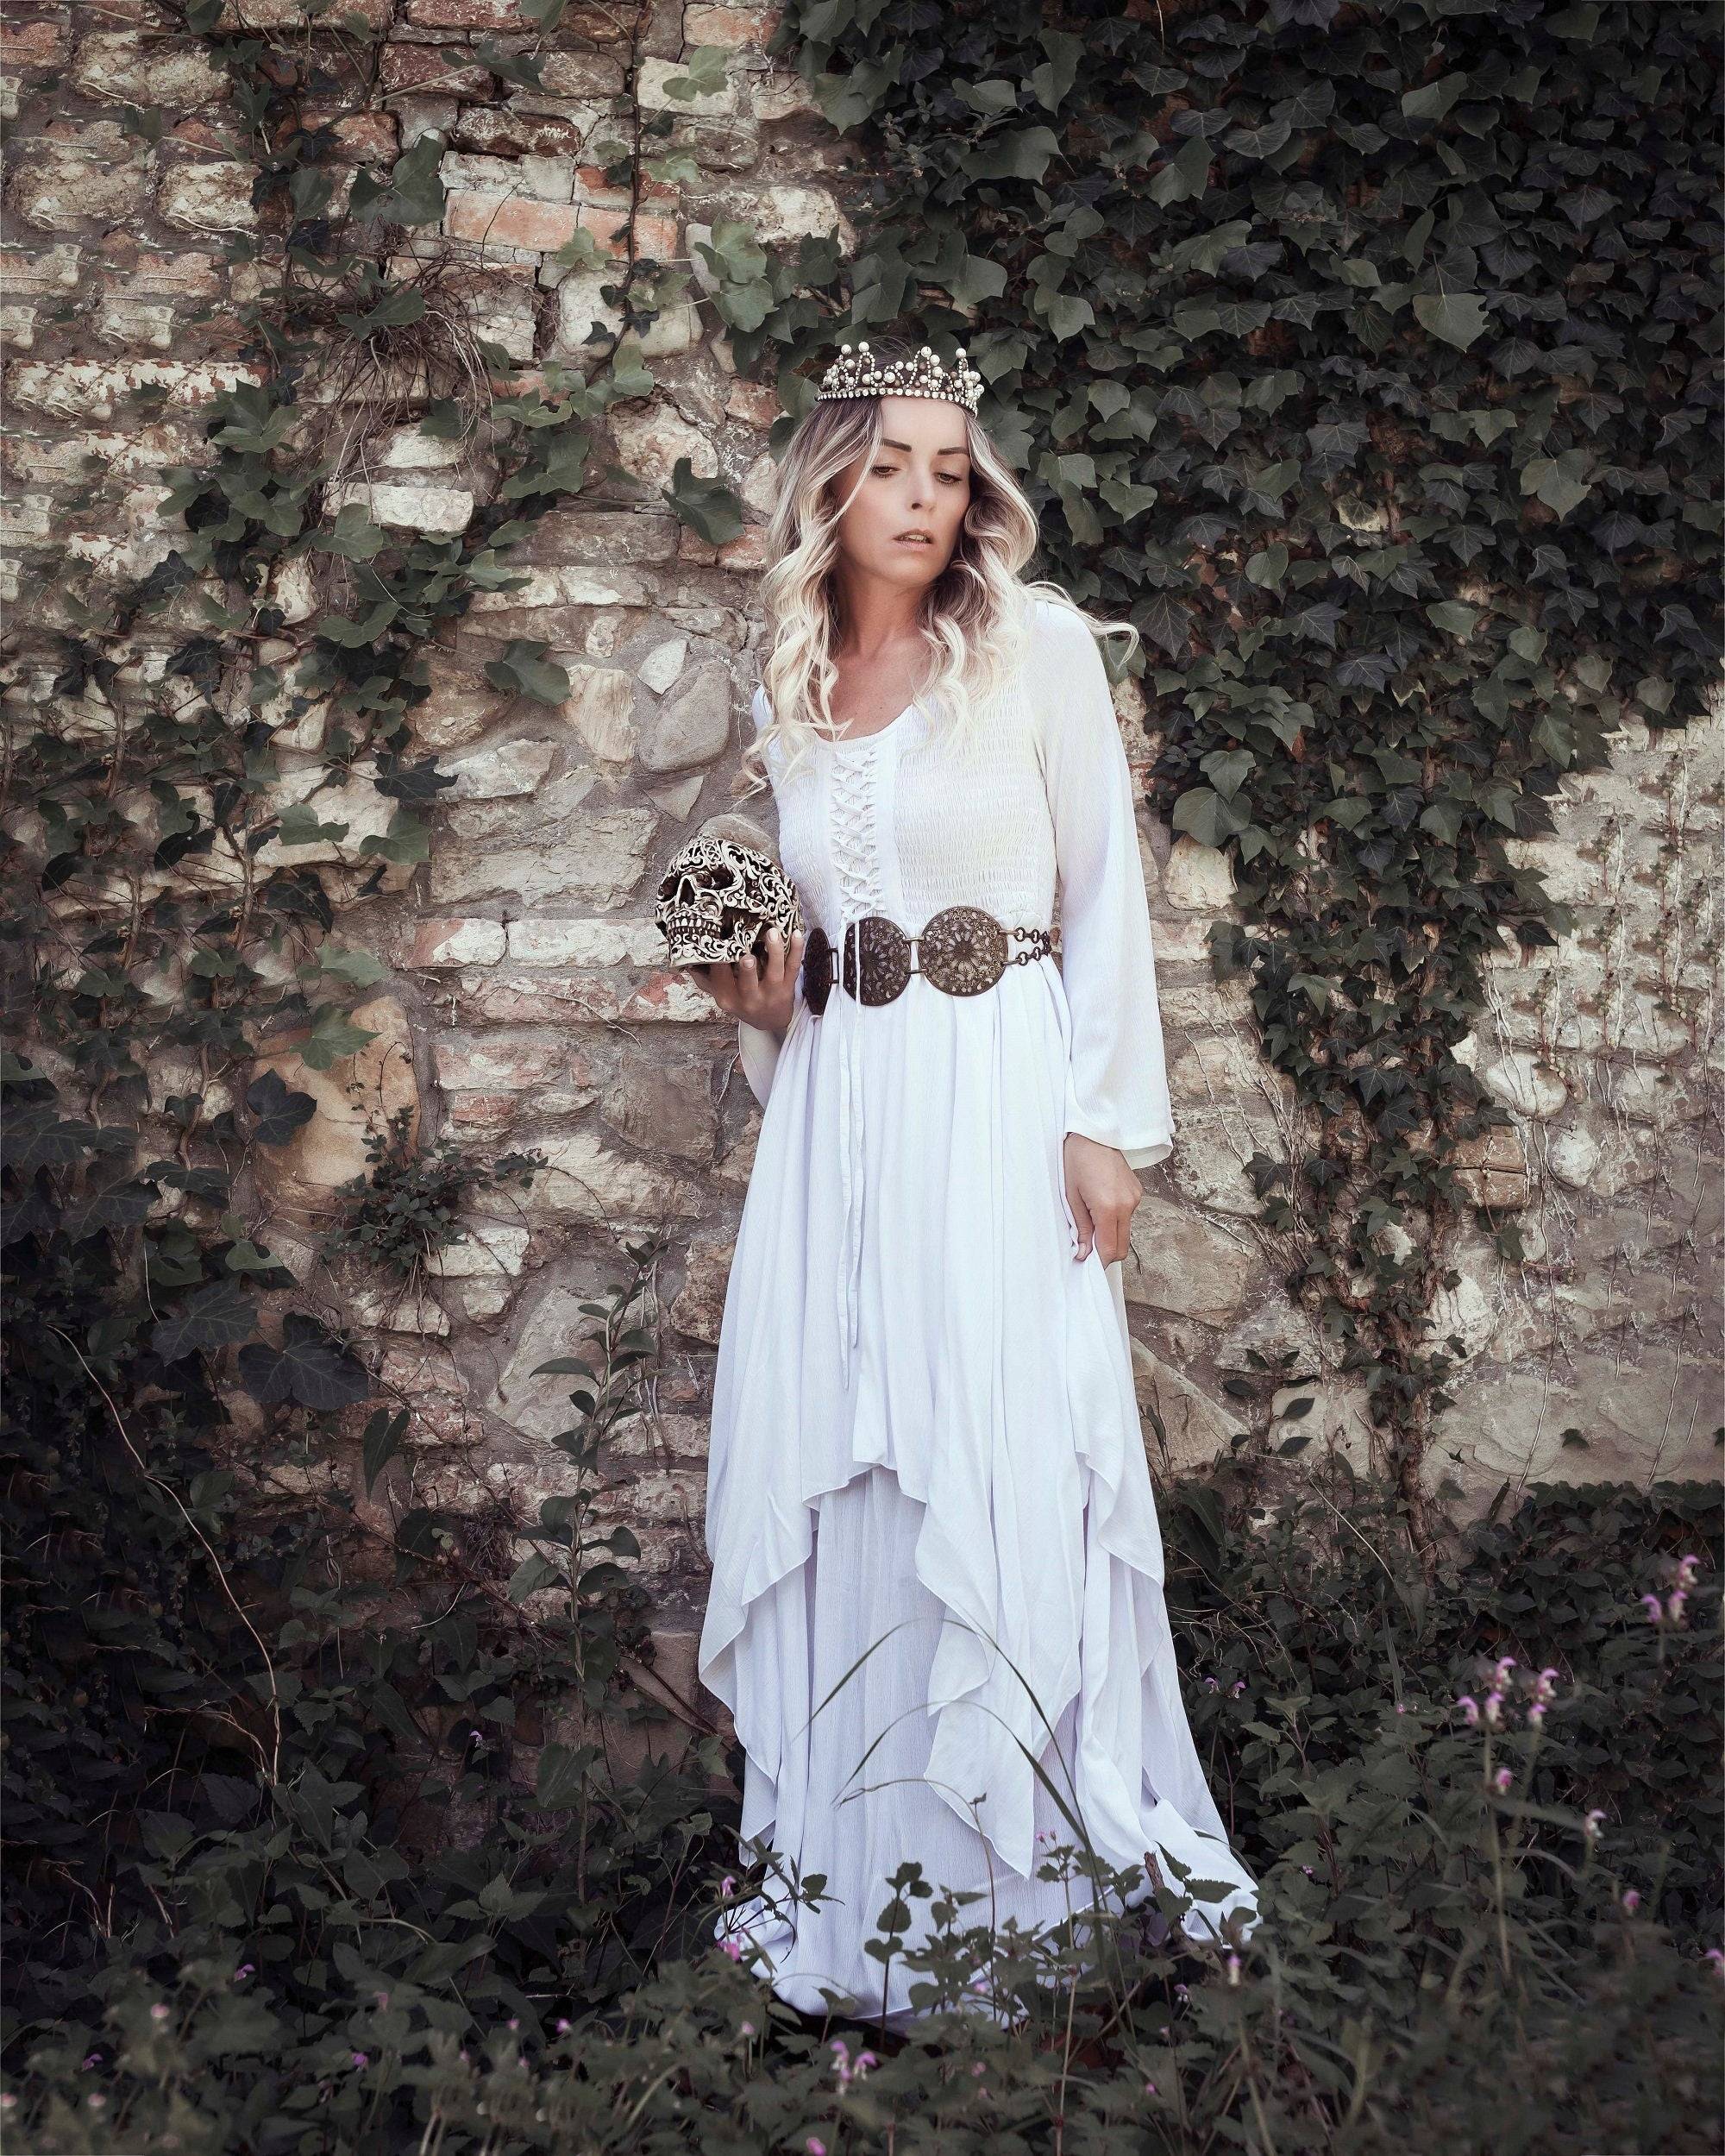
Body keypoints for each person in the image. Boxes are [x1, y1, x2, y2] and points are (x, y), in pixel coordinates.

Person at [685, 331, 1260, 2029]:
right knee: (843, 1451)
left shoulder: (1039, 647)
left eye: (950, 466)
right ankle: (854, 1920)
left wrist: (1106, 1124)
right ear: (832, 485)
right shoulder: (792, 683)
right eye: (892, 466)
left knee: (994, 1445)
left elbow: (1103, 898)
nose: (926, 497)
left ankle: (1015, 1919)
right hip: (840, 1114)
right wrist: (759, 1001)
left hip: (999, 1088)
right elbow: (791, 954)